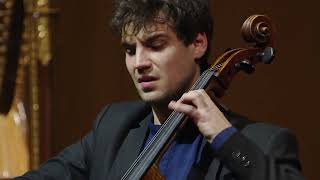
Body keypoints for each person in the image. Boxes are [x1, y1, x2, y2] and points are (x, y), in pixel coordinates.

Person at [16, 0, 304, 179]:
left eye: (155, 45)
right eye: (130, 50)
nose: (139, 63)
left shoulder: (263, 142)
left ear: (197, 44)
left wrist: (224, 137)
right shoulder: (114, 127)